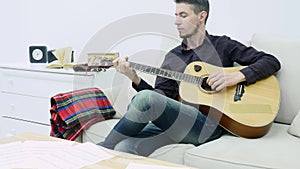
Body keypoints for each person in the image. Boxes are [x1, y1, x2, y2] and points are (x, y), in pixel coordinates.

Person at [98, 0, 281, 156]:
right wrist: (134, 78)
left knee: (144, 101)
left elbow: (271, 61)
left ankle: (98, 151)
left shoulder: (223, 45)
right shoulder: (172, 57)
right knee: (124, 147)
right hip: (176, 123)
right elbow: (160, 100)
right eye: (176, 15)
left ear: (202, 16)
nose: (177, 21)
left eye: (183, 16)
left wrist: (237, 76)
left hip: (207, 125)